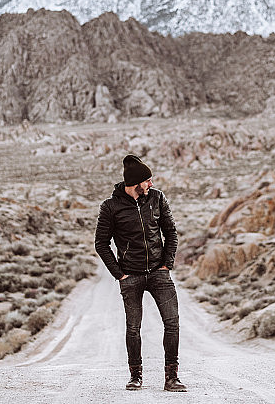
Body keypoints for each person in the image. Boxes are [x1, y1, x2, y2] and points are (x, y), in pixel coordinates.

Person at [94, 154, 187, 392]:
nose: (151, 184)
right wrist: (119, 274)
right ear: (135, 183)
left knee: (172, 323)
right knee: (133, 328)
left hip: (159, 273)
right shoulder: (110, 207)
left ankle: (172, 377)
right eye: (147, 180)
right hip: (130, 276)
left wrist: (167, 264)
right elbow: (101, 244)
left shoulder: (157, 198)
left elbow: (171, 233)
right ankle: (135, 376)